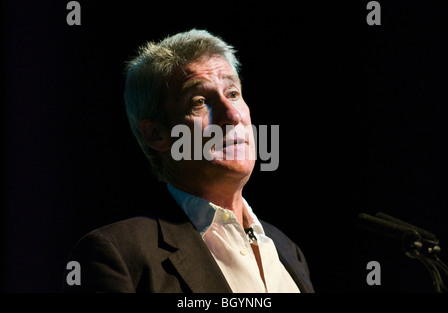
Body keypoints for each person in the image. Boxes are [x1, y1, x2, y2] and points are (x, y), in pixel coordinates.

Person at [63, 29, 314, 293]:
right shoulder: (117, 255)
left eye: (232, 94)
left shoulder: (287, 250)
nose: (231, 115)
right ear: (157, 134)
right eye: (200, 101)